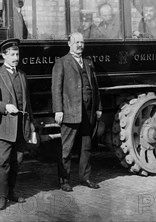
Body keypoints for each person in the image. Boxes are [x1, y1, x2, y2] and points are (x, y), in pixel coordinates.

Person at [0, 38, 36, 210]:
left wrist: (32, 126)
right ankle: (1, 197)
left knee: (17, 161)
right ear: (3, 56)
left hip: (21, 128)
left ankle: (11, 192)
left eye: (17, 54)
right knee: (2, 163)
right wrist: (4, 106)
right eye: (12, 54)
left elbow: (28, 103)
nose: (16, 57)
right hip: (3, 128)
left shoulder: (22, 75)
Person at [52, 32, 102, 191]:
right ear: (69, 43)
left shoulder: (88, 62)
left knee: (86, 147)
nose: (80, 45)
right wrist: (58, 110)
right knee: (66, 149)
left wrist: (98, 107)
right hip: (70, 112)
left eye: (82, 42)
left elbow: (95, 87)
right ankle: (64, 180)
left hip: (88, 112)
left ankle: (85, 178)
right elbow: (56, 88)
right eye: (76, 42)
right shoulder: (62, 62)